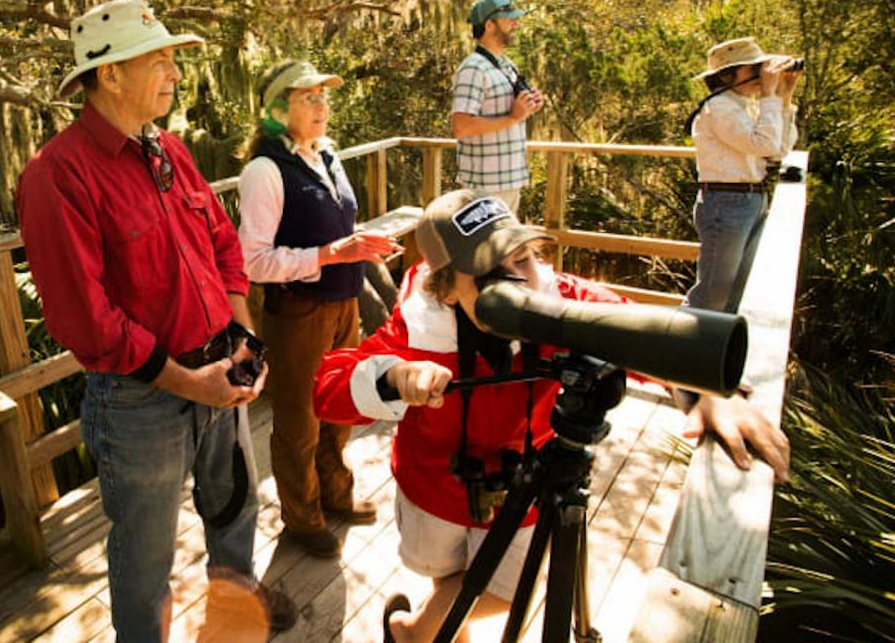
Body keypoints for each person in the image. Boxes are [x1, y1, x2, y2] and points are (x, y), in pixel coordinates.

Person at [313, 190, 791, 643]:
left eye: (522, 258)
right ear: (447, 289)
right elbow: (326, 390)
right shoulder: (418, 326)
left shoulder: (559, 300)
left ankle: (412, 632)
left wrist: (704, 390)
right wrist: (394, 375)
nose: (520, 281)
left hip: (527, 483)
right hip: (433, 487)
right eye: (491, 274)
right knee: (444, 576)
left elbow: (636, 330)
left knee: (503, 589)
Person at [16, 0, 295, 641]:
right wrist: (186, 381)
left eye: (174, 60)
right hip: (140, 399)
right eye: (161, 60)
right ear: (108, 75)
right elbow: (88, 322)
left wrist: (240, 332)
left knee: (235, 506)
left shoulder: (167, 149)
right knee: (145, 554)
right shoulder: (57, 176)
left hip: (219, 368)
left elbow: (222, 245)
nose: (175, 74)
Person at [236, 59, 401, 558]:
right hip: (298, 313)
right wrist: (332, 254)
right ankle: (302, 519)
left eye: (323, 97)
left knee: (339, 406)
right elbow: (254, 261)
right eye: (308, 97)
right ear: (277, 109)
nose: (322, 106)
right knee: (298, 421)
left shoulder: (326, 154)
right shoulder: (264, 170)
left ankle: (335, 495)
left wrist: (362, 244)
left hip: (341, 304)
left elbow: (335, 229)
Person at [686, 36, 801, 312]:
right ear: (728, 75)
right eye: (754, 69)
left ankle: (717, 351)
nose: (762, 75)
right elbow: (766, 145)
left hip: (749, 200)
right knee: (713, 293)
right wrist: (771, 98)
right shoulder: (719, 107)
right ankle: (682, 347)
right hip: (726, 203)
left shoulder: (742, 105)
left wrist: (783, 100)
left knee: (738, 291)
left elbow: (779, 150)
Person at [450, 0, 545, 213]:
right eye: (508, 19)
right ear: (490, 25)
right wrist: (513, 118)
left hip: (510, 182)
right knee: (484, 248)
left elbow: (511, 112)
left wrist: (528, 106)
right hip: (485, 188)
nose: (515, 24)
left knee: (505, 247)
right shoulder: (473, 68)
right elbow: (461, 126)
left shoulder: (505, 64)